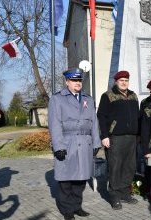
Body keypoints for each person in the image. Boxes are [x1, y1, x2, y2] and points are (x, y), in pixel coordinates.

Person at [48, 68, 101, 220]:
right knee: (66, 180)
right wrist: (58, 146)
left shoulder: (88, 99)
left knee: (81, 179)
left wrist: (96, 141)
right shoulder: (57, 99)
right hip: (67, 142)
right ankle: (67, 211)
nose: (78, 83)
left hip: (85, 143)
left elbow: (94, 122)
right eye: (74, 80)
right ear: (67, 82)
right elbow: (54, 124)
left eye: (79, 80)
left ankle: (77, 206)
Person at [97, 70, 140, 210]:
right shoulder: (108, 96)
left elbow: (137, 117)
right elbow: (101, 117)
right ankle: (114, 195)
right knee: (115, 166)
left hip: (131, 137)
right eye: (121, 80)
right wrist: (104, 136)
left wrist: (138, 134)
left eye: (126, 80)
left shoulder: (133, 96)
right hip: (115, 137)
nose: (124, 82)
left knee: (129, 166)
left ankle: (125, 193)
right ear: (116, 81)